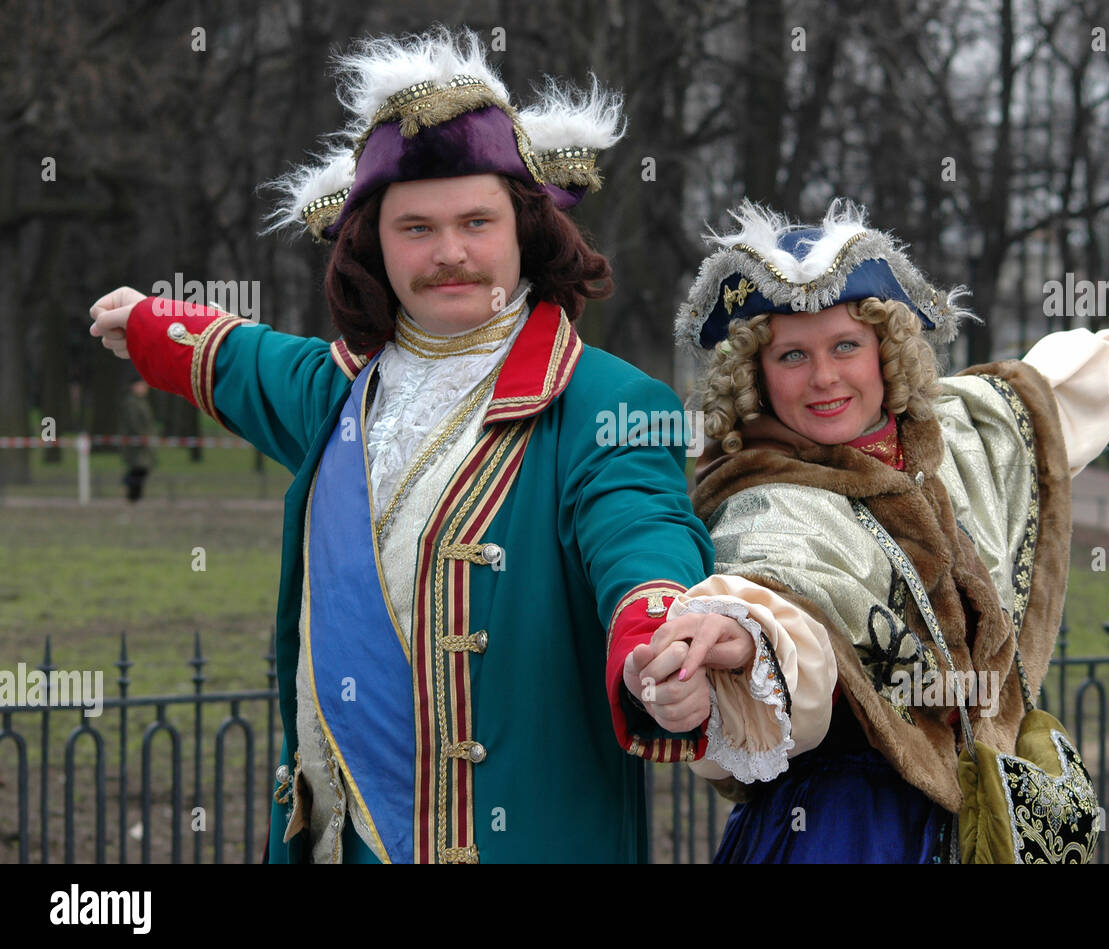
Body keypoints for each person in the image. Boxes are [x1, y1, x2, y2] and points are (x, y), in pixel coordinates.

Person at [87, 28, 748, 864]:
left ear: (524, 231)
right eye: (416, 228)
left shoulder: (613, 403)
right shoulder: (338, 392)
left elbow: (640, 530)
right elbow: (243, 361)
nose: (450, 254)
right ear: (374, 243)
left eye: (477, 221)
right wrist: (149, 322)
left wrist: (659, 632)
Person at [635, 199, 1109, 862]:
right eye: (792, 355)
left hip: (990, 818)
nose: (824, 377)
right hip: (848, 828)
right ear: (754, 374)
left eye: (846, 345)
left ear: (885, 350)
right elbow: (777, 589)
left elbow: (1036, 395)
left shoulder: (951, 431)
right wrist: (742, 637)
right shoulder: (765, 496)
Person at [120, 378, 157, 503]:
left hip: (142, 442)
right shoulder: (132, 403)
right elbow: (134, 422)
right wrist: (141, 435)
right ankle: (132, 495)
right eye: (142, 385)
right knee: (138, 468)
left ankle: (135, 495)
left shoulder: (141, 401)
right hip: (135, 443)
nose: (145, 388)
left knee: (142, 468)